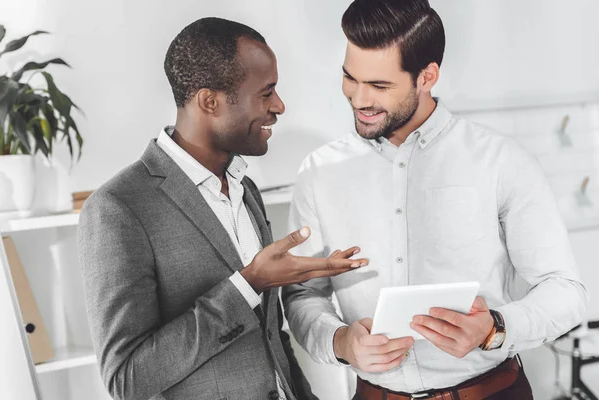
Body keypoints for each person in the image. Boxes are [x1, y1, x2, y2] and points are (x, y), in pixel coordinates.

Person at [282, 1, 588, 399]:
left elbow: (565, 290)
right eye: (349, 78)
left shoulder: (501, 161)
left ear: (427, 77)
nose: (358, 99)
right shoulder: (318, 171)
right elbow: (304, 293)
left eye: (379, 86)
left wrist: (496, 327)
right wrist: (340, 341)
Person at [78, 17, 368, 400]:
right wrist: (248, 284)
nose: (279, 106)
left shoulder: (245, 189)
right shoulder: (118, 208)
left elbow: (270, 334)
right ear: (209, 101)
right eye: (266, 93)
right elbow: (128, 378)